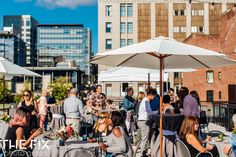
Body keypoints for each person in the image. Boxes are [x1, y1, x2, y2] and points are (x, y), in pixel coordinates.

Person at [138, 88, 158, 156]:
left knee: (151, 137)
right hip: (144, 121)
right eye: (154, 96)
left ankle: (152, 152)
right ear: (151, 95)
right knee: (145, 139)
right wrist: (158, 111)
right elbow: (149, 113)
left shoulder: (146, 101)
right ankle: (142, 154)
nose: (154, 98)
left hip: (145, 121)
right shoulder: (146, 101)